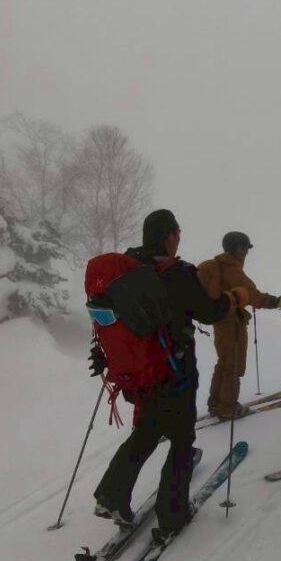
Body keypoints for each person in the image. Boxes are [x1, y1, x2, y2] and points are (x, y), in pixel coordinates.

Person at [92, 209, 249, 534]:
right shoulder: (176, 272)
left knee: (148, 430)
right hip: (174, 371)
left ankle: (112, 494)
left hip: (138, 374)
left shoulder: (127, 271)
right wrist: (233, 299)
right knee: (181, 438)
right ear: (169, 236)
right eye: (177, 233)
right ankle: (172, 516)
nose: (179, 239)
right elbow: (208, 312)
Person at [197, 231, 281, 420]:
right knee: (233, 364)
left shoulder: (220, 266)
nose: (247, 253)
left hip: (221, 322)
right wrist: (277, 301)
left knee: (224, 362)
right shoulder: (231, 268)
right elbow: (252, 295)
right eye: (245, 248)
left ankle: (216, 403)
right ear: (237, 249)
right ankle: (228, 407)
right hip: (232, 323)